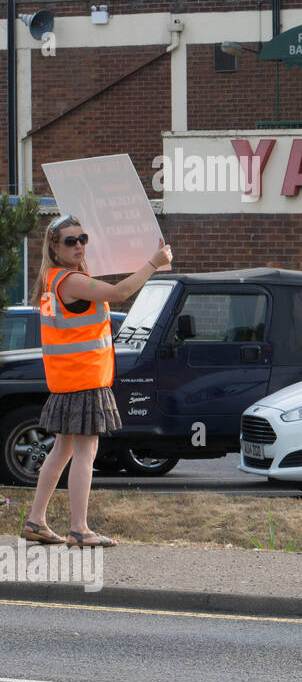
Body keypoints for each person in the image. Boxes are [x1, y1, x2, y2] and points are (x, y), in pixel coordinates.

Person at [20, 215, 173, 549]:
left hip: (68, 379)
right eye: (70, 241)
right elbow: (120, 292)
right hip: (84, 379)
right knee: (85, 453)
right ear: (54, 247)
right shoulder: (70, 281)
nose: (79, 246)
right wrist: (154, 263)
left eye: (83, 239)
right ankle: (79, 529)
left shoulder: (53, 278)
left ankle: (36, 521)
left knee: (62, 450)